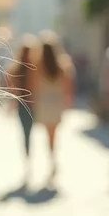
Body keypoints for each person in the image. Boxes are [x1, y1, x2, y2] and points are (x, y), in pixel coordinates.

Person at [32, 30, 74, 181]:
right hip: (56, 103)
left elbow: (35, 87)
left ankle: (51, 160)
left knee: (46, 135)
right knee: (54, 134)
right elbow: (67, 87)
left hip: (44, 103)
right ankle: (53, 159)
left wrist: (34, 103)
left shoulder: (38, 64)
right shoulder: (62, 64)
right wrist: (67, 102)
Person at [5, 35, 38, 183]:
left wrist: (12, 102)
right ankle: (29, 159)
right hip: (32, 105)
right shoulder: (34, 67)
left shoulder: (16, 67)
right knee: (29, 133)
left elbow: (11, 86)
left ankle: (27, 159)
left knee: (26, 133)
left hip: (22, 105)